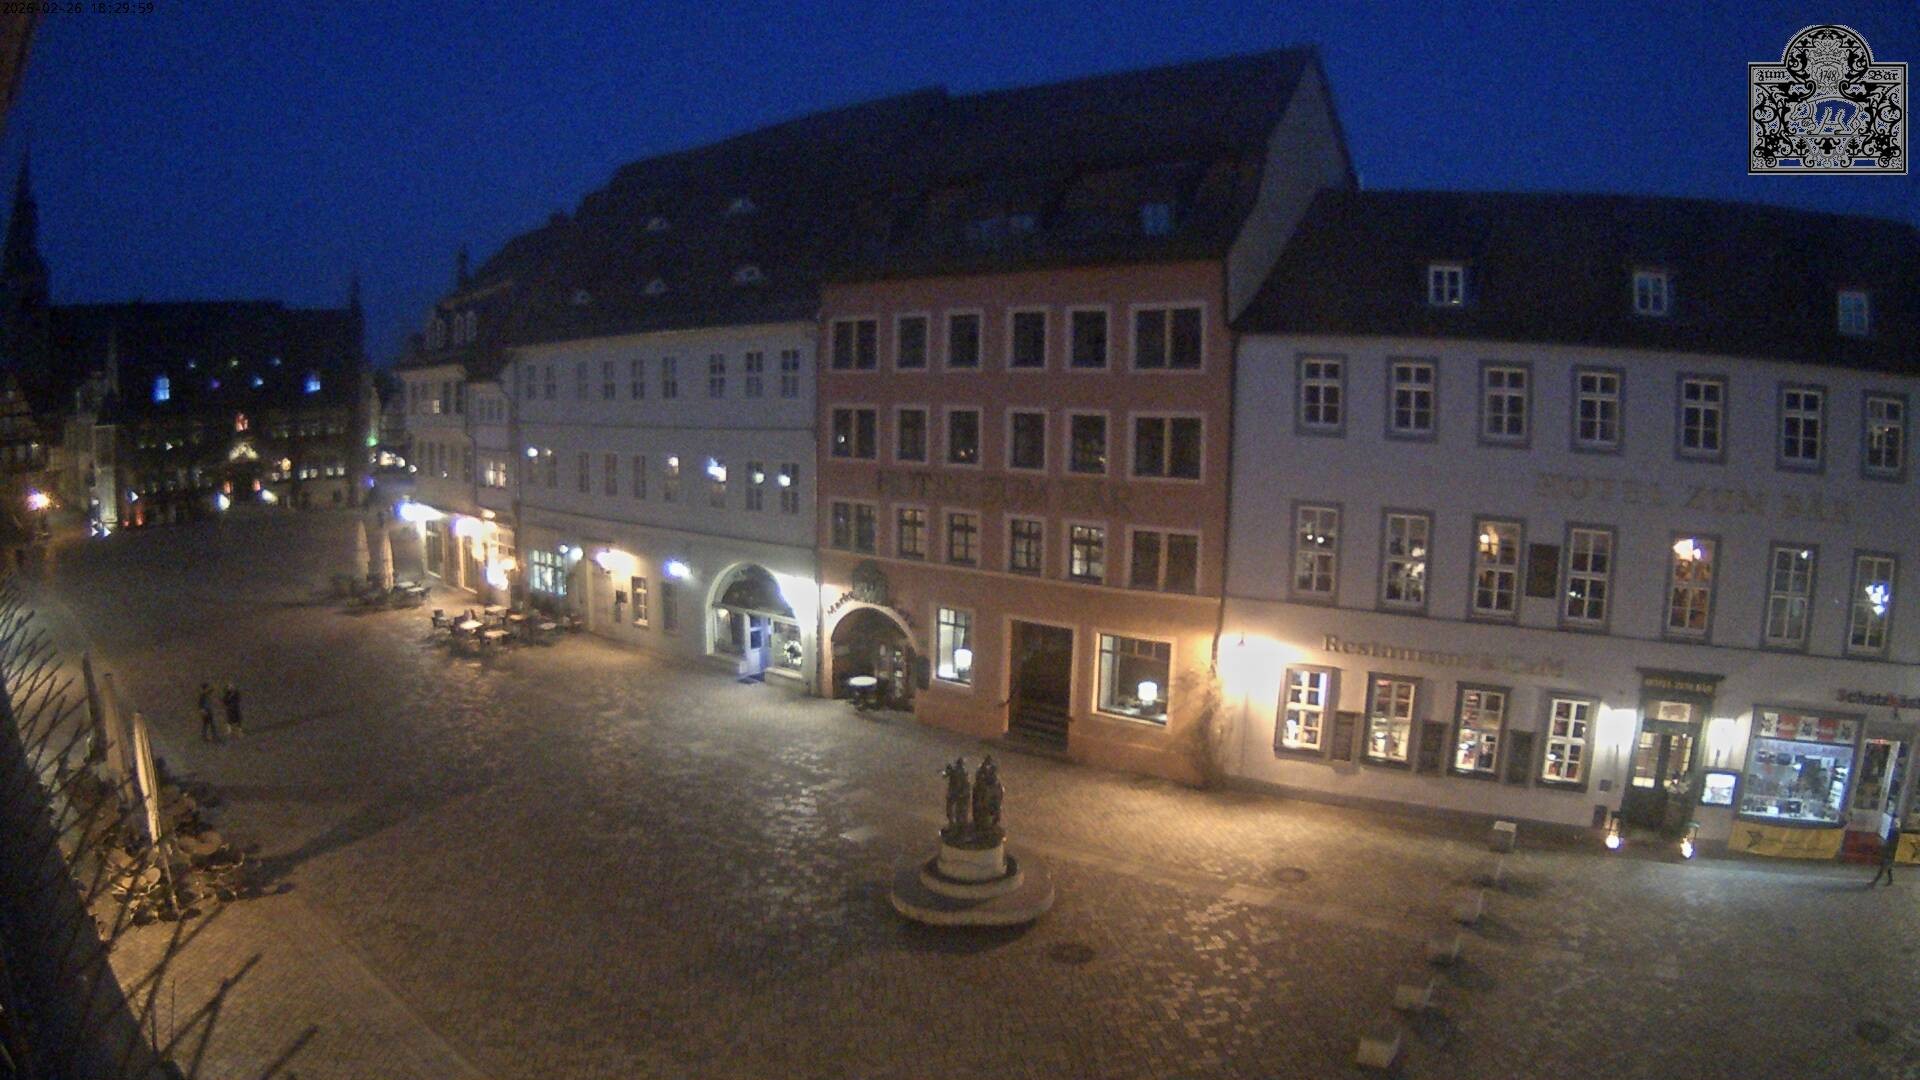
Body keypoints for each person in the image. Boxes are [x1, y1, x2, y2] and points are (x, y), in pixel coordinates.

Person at [1870, 818, 1901, 887]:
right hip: (1889, 852)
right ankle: (1890, 880)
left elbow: (1891, 843)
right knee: (1888, 868)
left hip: (1890, 853)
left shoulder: (1895, 832)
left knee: (1883, 867)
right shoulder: (1893, 831)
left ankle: (1874, 882)